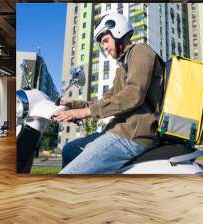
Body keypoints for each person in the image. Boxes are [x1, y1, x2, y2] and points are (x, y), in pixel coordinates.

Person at [53, 13, 164, 174]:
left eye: (105, 40)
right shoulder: (122, 66)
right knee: (69, 150)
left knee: (67, 175)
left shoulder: (141, 51)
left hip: (133, 135)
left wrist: (84, 112)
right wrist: (72, 105)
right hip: (118, 130)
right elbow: (107, 100)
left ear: (118, 32)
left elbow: (133, 95)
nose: (104, 47)